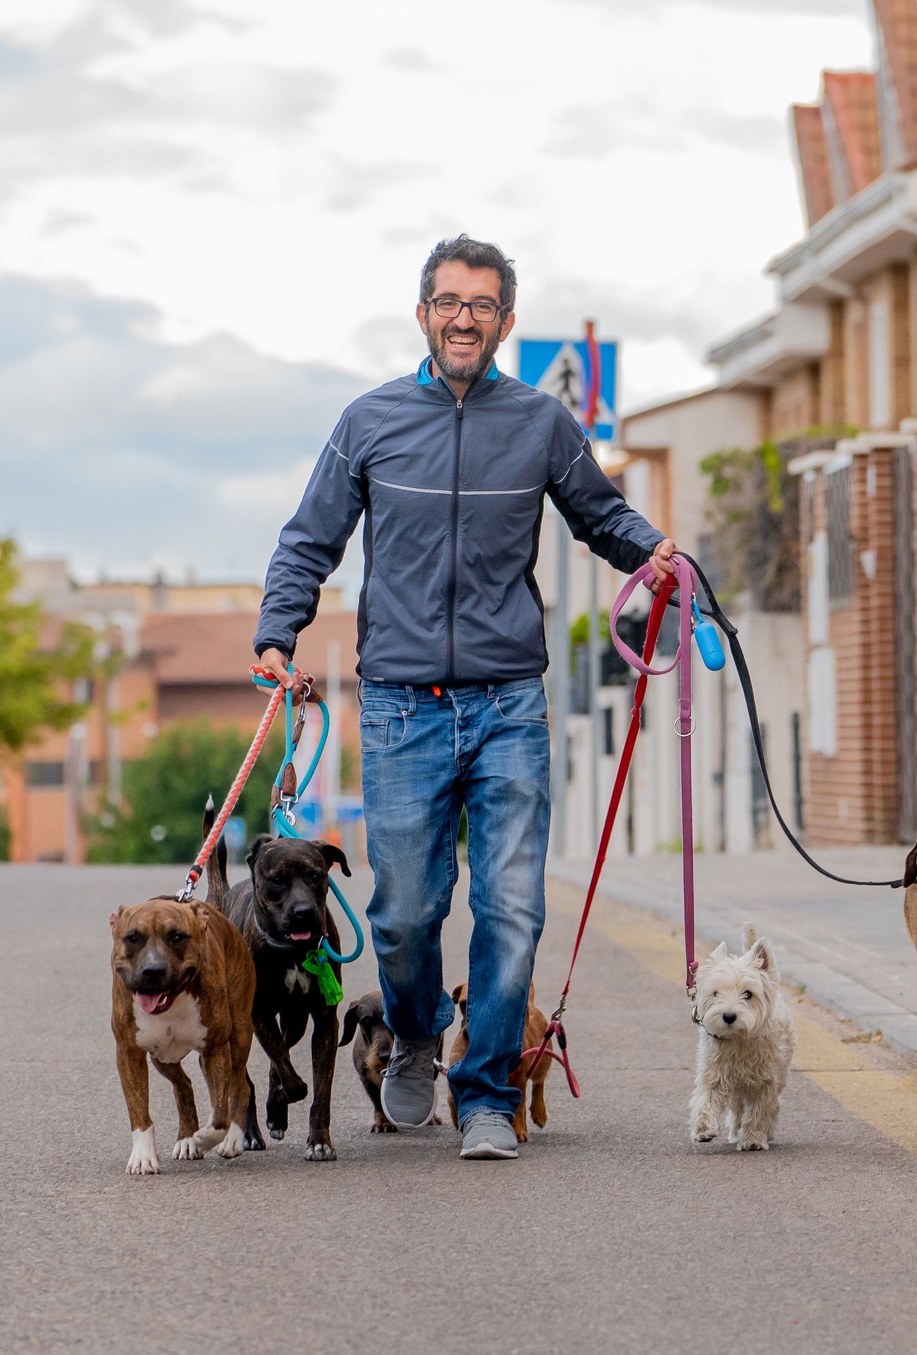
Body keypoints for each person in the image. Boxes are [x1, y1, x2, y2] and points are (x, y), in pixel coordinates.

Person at [253, 235, 674, 1160]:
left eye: (481, 305)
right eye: (448, 302)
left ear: (505, 322)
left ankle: (485, 1092)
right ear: (423, 314)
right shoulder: (368, 422)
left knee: (511, 905)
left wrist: (656, 554)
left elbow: (600, 513)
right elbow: (309, 538)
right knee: (405, 907)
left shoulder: (540, 423)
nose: (464, 318)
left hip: (508, 704)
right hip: (402, 703)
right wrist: (278, 633)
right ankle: (411, 1035)